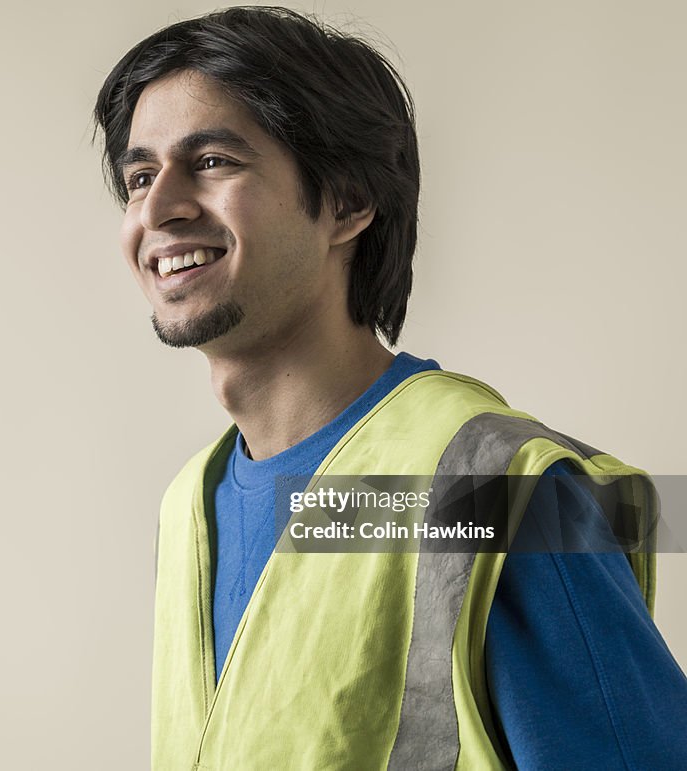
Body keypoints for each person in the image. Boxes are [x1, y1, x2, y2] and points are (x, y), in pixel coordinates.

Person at [93, 7, 687, 769]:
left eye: (212, 161)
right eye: (140, 176)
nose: (158, 206)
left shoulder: (498, 491)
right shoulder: (188, 506)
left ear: (346, 204)